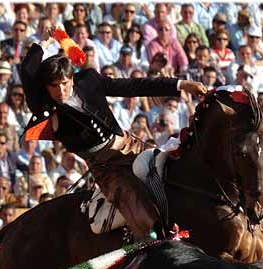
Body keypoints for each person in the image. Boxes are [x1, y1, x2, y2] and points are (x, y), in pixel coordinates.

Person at [20, 31, 206, 239]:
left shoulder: (89, 80)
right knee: (132, 197)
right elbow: (27, 73)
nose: (60, 91)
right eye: (54, 86)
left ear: (72, 79)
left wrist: (179, 85)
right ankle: (157, 240)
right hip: (105, 166)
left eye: (64, 83)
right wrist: (44, 43)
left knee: (174, 167)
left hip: (130, 144)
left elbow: (132, 86)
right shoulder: (44, 106)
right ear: (47, 87)